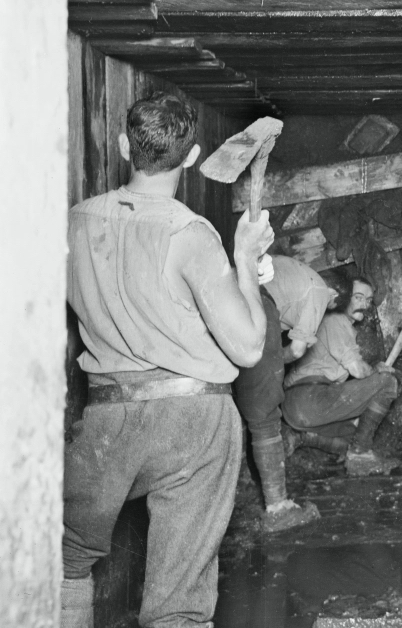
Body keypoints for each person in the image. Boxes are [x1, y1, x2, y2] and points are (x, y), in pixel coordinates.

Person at [63, 93, 274, 628]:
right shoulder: (189, 233)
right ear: (193, 154)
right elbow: (247, 346)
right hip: (193, 419)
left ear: (122, 146)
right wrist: (245, 262)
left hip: (109, 416)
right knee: (178, 601)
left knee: (64, 560)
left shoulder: (74, 223)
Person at [232, 254, 339, 532]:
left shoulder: (294, 276)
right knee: (265, 412)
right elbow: (296, 350)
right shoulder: (318, 291)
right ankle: (278, 507)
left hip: (225, 294)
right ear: (334, 293)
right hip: (253, 300)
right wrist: (275, 363)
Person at [281, 276, 401, 476]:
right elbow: (357, 370)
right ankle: (360, 454)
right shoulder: (336, 320)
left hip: (297, 408)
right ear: (344, 298)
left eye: (368, 300)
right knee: (388, 383)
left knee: (355, 435)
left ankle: (302, 437)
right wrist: (377, 370)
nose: (364, 304)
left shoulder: (333, 323)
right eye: (358, 297)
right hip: (309, 397)